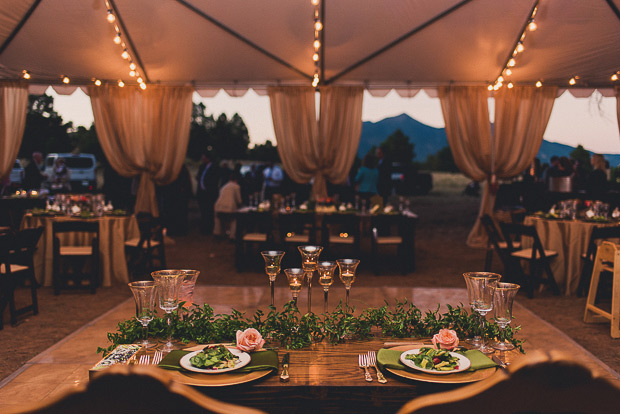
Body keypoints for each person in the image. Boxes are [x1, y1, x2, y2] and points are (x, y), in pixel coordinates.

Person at [214, 172, 243, 239]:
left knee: (218, 220)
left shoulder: (224, 186)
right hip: (229, 207)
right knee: (233, 220)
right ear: (236, 180)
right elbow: (239, 200)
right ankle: (232, 236)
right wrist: (241, 204)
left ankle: (217, 234)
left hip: (218, 206)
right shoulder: (236, 186)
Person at [196, 152, 219, 235]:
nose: (202, 160)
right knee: (203, 211)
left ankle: (209, 229)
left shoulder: (214, 167)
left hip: (210, 193)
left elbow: (214, 180)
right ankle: (204, 228)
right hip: (202, 193)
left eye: (203, 158)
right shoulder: (202, 167)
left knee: (209, 211)